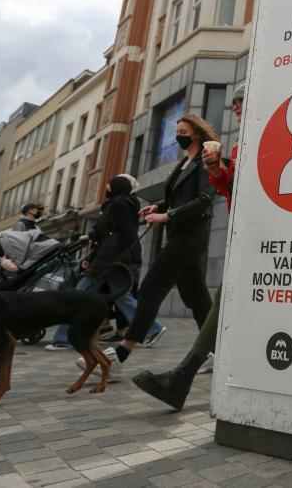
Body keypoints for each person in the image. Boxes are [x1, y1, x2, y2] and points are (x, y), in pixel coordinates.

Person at [132, 84, 244, 409]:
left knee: (218, 298)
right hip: (242, 228)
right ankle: (188, 374)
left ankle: (175, 374)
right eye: (234, 104)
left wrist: (169, 213)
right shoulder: (238, 144)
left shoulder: (263, 135)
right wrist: (216, 170)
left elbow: (207, 198)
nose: (236, 107)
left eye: (242, 101)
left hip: (246, 231)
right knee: (211, 300)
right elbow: (230, 188)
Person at [92, 114, 218, 380]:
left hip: (191, 235)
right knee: (196, 297)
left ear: (196, 134)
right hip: (180, 234)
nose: (178, 136)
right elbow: (175, 198)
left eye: (183, 132)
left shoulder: (204, 161)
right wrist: (157, 206)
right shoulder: (183, 163)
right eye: (177, 131)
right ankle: (216, 352)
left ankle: (120, 355)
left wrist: (167, 216)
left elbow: (205, 199)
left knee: (150, 288)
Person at [47, 175, 166, 351]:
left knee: (77, 296)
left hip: (109, 260)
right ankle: (153, 329)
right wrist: (91, 239)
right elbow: (108, 231)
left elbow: (119, 233)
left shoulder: (119, 205)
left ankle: (64, 339)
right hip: (112, 259)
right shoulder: (118, 204)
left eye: (109, 186)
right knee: (123, 298)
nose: (107, 189)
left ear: (117, 188)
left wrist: (100, 254)